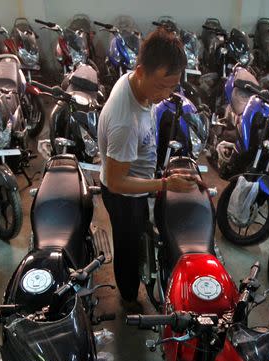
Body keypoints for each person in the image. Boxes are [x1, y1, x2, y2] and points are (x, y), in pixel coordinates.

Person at [97, 28, 197, 312]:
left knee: (139, 235)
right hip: (123, 197)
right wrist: (165, 184)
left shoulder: (136, 83)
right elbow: (116, 183)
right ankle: (128, 297)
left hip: (136, 179)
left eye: (172, 86)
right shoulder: (125, 121)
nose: (165, 94)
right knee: (127, 246)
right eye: (160, 86)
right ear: (141, 71)